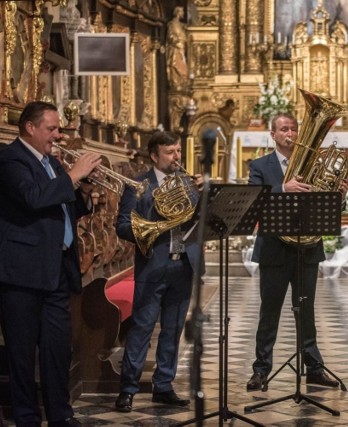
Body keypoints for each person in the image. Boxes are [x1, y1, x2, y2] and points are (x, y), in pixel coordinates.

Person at [0, 101, 102, 426]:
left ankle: (61, 415)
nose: (58, 135)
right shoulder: (10, 159)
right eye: (52, 129)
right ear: (30, 127)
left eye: (58, 129)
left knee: (58, 351)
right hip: (23, 274)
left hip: (57, 270)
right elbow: (33, 198)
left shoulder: (51, 163)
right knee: (22, 352)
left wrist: (85, 195)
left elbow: (63, 208)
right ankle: (27, 418)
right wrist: (74, 175)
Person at [246, 112, 348, 391]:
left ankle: (313, 368)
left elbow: (330, 208)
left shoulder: (316, 164)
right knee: (270, 312)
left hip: (307, 248)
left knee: (306, 310)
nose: (289, 133)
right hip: (274, 250)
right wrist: (283, 188)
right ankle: (261, 369)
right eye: (283, 129)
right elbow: (253, 203)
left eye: (293, 128)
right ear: (273, 135)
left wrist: (338, 196)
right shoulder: (260, 166)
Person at [114, 131, 203, 412]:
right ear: (154, 155)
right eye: (170, 152)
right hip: (153, 265)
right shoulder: (138, 185)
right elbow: (123, 226)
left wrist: (204, 196)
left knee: (173, 329)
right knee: (141, 329)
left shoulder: (189, 185)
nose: (177, 157)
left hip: (183, 265)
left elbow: (202, 224)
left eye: (178, 151)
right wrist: (151, 228)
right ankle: (128, 389)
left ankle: (163, 385)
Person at [166, 6, 188, 90]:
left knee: (183, 67)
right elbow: (170, 36)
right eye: (182, 12)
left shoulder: (182, 25)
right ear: (178, 12)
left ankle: (182, 84)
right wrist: (177, 41)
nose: (183, 14)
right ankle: (176, 84)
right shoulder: (172, 24)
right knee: (176, 66)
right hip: (176, 49)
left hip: (182, 48)